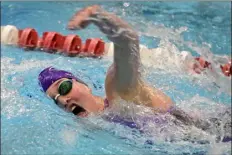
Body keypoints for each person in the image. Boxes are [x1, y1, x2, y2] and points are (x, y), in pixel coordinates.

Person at [38, 5, 231, 143]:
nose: (63, 100)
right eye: (56, 100)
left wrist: (96, 15)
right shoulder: (102, 121)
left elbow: (128, 40)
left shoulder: (118, 92)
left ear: (84, 85)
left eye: (63, 88)